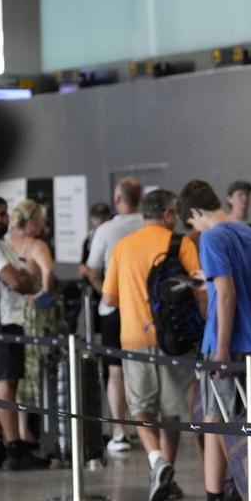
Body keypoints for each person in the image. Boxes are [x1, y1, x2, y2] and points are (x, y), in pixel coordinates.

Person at [176, 179, 251, 501]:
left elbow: (228, 295)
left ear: (196, 212)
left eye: (193, 223)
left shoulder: (212, 237)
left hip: (228, 346)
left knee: (228, 429)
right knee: (231, 425)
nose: (196, 229)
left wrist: (219, 352)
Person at [103, 189, 201, 501]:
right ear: (168, 214)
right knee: (172, 410)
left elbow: (108, 298)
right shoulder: (181, 243)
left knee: (141, 406)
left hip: (133, 338)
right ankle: (164, 467)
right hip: (175, 339)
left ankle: (157, 460)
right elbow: (200, 286)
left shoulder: (123, 247)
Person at [0, 196, 47, 470]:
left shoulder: (2, 245)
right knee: (7, 386)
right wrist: (24, 276)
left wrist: (25, 278)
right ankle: (14, 448)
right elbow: (20, 281)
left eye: (2, 214)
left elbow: (29, 280)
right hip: (1, 324)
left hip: (9, 321)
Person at [83, 179, 145, 453]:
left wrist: (108, 292)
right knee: (145, 366)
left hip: (114, 308)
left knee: (115, 370)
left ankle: (119, 431)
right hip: (145, 307)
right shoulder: (149, 225)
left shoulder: (106, 230)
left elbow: (93, 270)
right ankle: (148, 431)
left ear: (118, 199)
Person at [8, 199, 63, 436]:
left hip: (14, 312)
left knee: (20, 371)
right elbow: (48, 271)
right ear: (30, 221)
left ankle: (21, 429)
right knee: (41, 366)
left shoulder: (8, 243)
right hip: (36, 314)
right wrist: (43, 293)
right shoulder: (36, 245)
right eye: (40, 220)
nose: (42, 225)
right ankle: (44, 427)